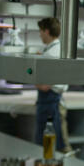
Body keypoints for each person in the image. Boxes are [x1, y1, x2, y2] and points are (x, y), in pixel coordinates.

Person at [35, 17, 72, 153]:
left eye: (40, 31)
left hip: (50, 103)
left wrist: (33, 78)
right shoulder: (56, 49)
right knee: (58, 143)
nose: (39, 34)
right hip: (53, 101)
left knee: (51, 145)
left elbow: (44, 86)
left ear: (46, 31)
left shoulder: (51, 53)